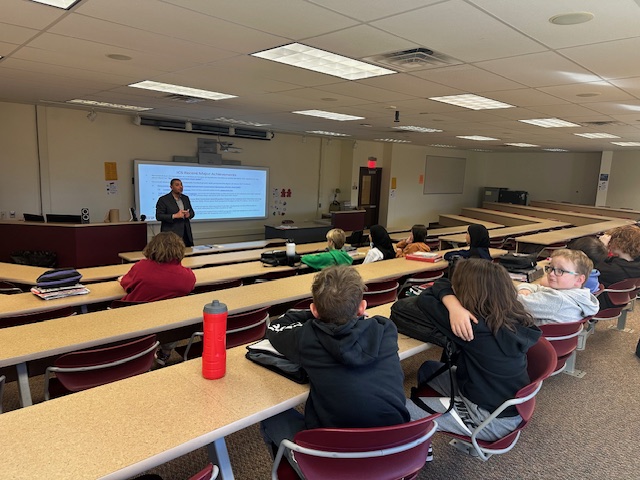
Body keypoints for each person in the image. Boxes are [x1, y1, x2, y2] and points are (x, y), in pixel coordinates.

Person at [260, 265, 410, 472]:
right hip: (394, 452)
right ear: (362, 307)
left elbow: (276, 328)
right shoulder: (385, 329)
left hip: (333, 461)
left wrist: (317, 314)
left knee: (270, 418)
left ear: (314, 310)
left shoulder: (307, 337)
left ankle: (306, 470)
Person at [406, 259, 541, 441]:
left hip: (488, 419)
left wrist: (452, 305)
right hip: (502, 402)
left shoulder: (472, 326)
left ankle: (424, 432)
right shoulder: (508, 315)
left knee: (401, 409)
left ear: (466, 292)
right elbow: (442, 283)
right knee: (429, 369)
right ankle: (430, 423)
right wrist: (455, 304)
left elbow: (426, 297)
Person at [118, 232, 196, 365]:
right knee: (175, 313)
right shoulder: (187, 276)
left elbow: (126, 284)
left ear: (152, 247)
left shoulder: (140, 267)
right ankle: (165, 353)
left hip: (135, 322)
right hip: (167, 327)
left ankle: (136, 355)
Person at [515, 249, 599, 325]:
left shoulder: (557, 299)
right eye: (551, 268)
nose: (551, 274)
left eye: (560, 271)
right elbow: (538, 287)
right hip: (557, 339)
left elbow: (514, 303)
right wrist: (525, 288)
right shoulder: (579, 295)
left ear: (579, 280)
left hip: (536, 339)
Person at [595, 224, 640, 309]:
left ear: (618, 243)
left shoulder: (613, 270)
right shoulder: (634, 266)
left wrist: (601, 247)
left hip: (601, 302)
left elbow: (589, 267)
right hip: (619, 300)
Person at [156, 178, 195, 247]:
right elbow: (159, 216)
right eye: (177, 185)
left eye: (181, 185)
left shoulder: (185, 198)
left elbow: (192, 212)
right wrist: (174, 216)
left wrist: (188, 214)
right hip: (171, 235)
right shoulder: (163, 199)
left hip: (186, 234)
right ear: (171, 187)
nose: (180, 187)